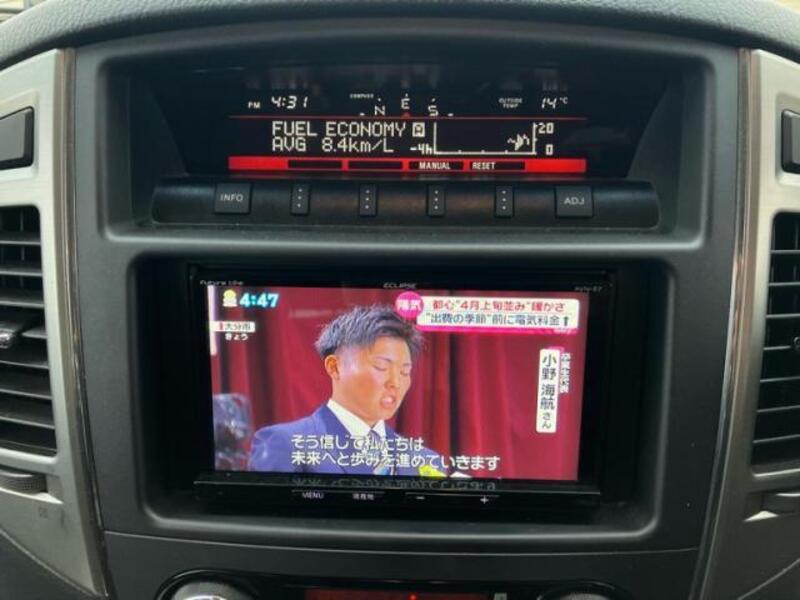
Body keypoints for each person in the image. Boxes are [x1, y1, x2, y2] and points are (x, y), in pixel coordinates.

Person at [248, 305, 446, 476]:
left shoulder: (425, 460)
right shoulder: (285, 444)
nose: (396, 382)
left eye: (405, 371)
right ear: (334, 367)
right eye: (381, 366)